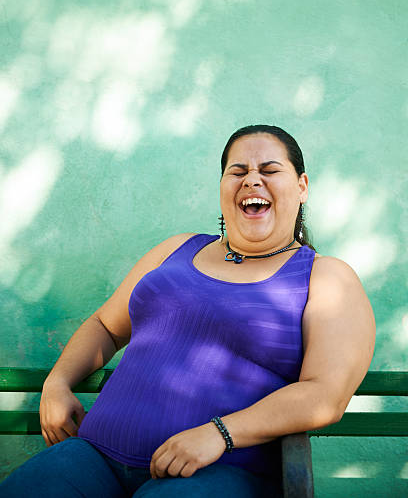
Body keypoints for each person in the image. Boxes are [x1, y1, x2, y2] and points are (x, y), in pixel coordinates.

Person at [0, 124, 376, 497]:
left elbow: (324, 394)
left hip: (219, 473)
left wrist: (220, 434)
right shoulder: (176, 249)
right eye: (238, 172)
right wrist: (58, 382)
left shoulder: (326, 277)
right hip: (93, 457)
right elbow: (105, 325)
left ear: (302, 187)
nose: (251, 180)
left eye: (270, 170)